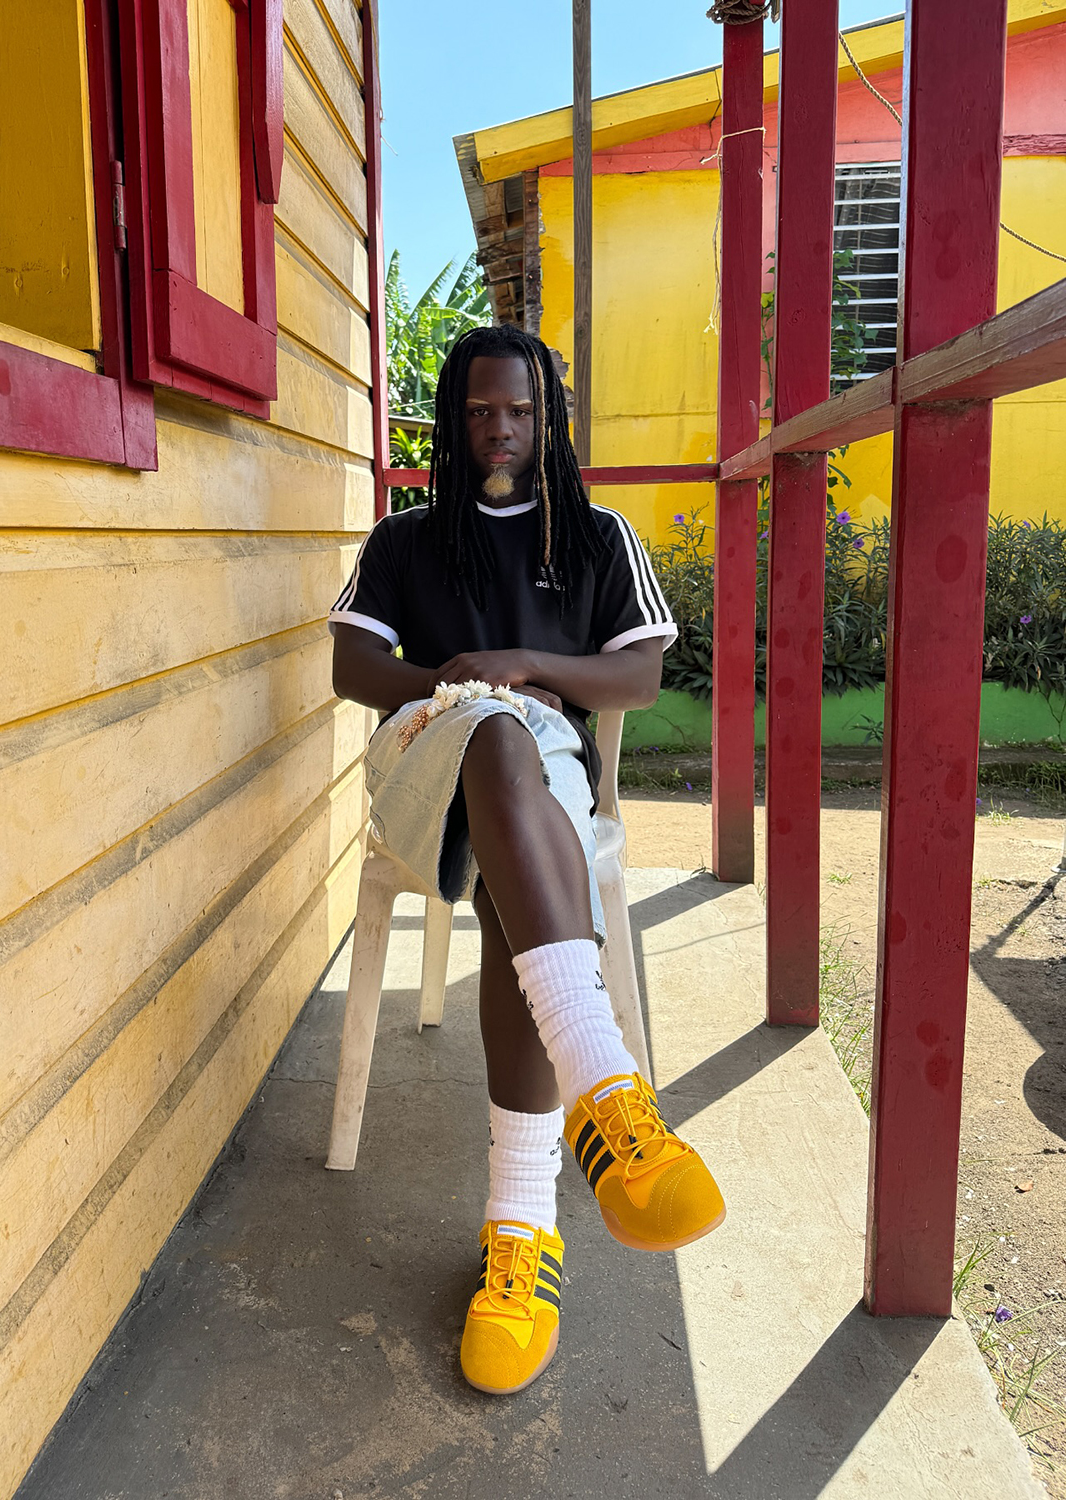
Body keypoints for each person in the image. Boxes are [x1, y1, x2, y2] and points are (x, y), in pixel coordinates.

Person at [328, 324, 725, 1396]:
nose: (498, 428)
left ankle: (521, 1231)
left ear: (549, 418)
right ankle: (600, 1101)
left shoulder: (596, 536)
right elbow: (353, 667)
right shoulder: (407, 538)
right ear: (453, 421)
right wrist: (462, 689)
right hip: (424, 765)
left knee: (515, 800)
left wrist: (518, 664)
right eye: (477, 411)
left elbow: (637, 680)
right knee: (494, 733)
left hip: (544, 786)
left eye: (518, 410)